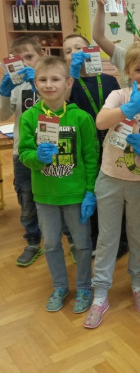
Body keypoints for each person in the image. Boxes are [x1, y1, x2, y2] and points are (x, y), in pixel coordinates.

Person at [84, 41, 140, 329]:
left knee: (139, 237)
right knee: (107, 238)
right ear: (127, 71)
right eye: (138, 69)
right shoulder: (118, 94)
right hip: (111, 179)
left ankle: (137, 284)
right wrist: (129, 108)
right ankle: (100, 294)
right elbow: (101, 121)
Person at [19, 56, 99, 313]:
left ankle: (84, 286)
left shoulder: (81, 118)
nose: (49, 84)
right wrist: (36, 157)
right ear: (35, 83)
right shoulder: (30, 117)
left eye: (55, 79)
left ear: (68, 82)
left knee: (82, 244)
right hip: (45, 196)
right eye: (43, 79)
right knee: (52, 244)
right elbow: (24, 154)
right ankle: (60, 286)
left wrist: (90, 192)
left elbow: (91, 157)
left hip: (76, 195)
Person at [63, 34, 126, 259]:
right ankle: (93, 237)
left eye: (78, 48)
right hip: (85, 148)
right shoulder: (67, 84)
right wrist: (71, 77)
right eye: (68, 51)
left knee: (114, 194)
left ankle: (121, 240)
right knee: (90, 192)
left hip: (112, 145)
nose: (74, 53)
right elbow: (62, 104)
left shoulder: (108, 81)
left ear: (90, 50)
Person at [0, 36, 44, 267]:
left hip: (50, 150)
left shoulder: (50, 80)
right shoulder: (16, 87)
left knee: (57, 193)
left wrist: (39, 84)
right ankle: (33, 241)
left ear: (41, 56)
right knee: (26, 197)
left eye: (29, 57)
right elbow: (2, 115)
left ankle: (66, 235)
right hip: (22, 152)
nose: (25, 63)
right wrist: (4, 93)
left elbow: (59, 107)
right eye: (19, 59)